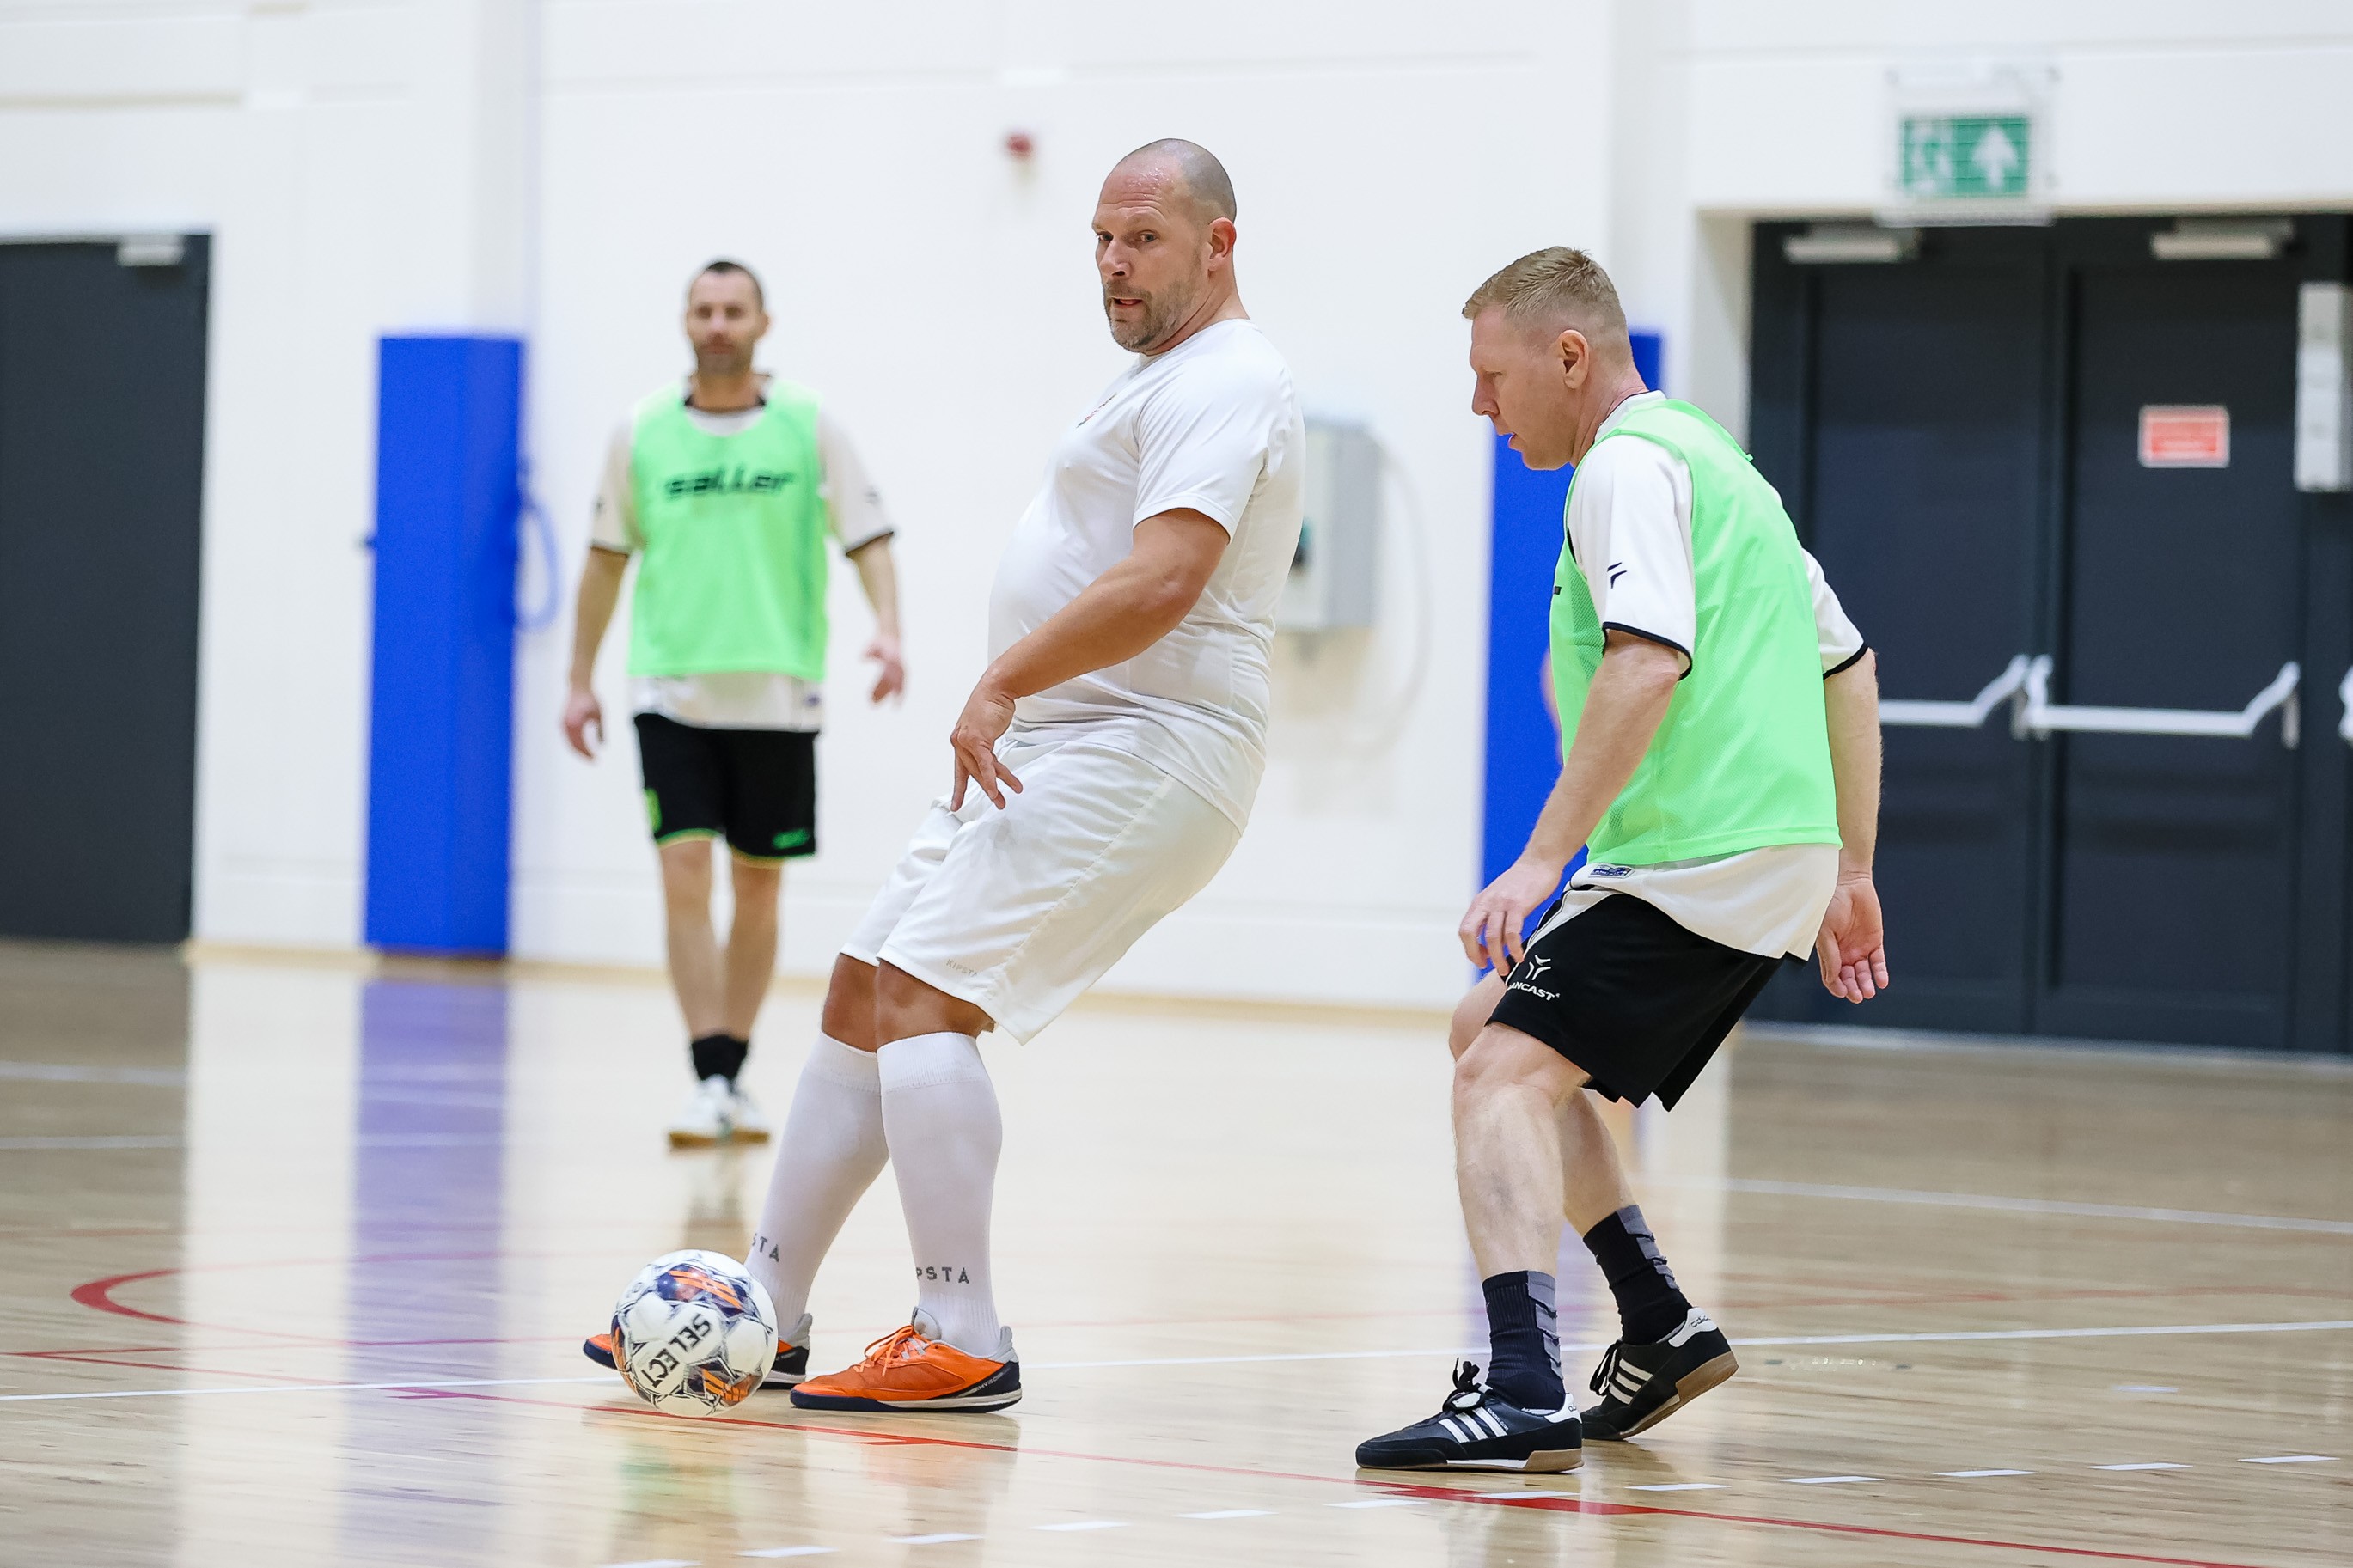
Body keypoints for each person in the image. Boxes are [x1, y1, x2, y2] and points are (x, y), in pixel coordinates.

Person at [579, 138, 1303, 1406]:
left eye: (1141, 239)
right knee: (864, 987)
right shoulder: (1160, 376)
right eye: (1100, 239)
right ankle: (764, 1313)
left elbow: (1165, 578)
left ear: (1218, 242)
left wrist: (1002, 675)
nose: (1112, 264)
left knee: (923, 995)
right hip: (1056, 742)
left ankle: (960, 1329)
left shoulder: (1229, 376)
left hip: (1147, 743)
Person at [1357, 247, 1887, 1473]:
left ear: (1568, 356)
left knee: (1497, 1076)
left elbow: (1647, 659)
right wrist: (1849, 868)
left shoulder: (1624, 468)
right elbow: (1849, 667)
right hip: (1751, 852)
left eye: (1491, 377)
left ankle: (1519, 1387)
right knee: (1490, 1028)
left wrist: (1536, 860)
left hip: (1699, 852)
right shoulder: (1722, 470)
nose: (1478, 405)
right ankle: (1655, 1323)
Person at [562, 259, 905, 1150]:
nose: (717, 324)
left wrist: (889, 629)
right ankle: (708, 1074)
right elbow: (604, 558)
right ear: (685, 321)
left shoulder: (808, 424)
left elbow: (868, 535)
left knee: (757, 883)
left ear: (762, 323)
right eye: (703, 310)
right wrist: (578, 678)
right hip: (669, 687)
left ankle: (734, 1069)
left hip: (778, 691)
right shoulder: (639, 431)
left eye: (734, 311)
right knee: (683, 870)